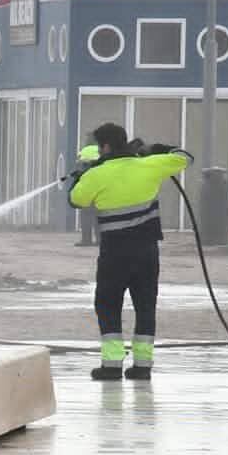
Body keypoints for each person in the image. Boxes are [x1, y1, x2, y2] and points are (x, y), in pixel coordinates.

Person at [68, 123, 192, 381]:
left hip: (115, 254)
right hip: (147, 253)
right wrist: (154, 150)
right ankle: (143, 366)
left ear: (105, 146)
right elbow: (185, 157)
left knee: (107, 305)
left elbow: (76, 200)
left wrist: (82, 176)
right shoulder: (149, 165)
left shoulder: (97, 174)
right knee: (145, 307)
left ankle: (112, 366)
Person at [74, 143, 100, 247]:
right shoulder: (95, 154)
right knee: (96, 217)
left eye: (83, 164)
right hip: (97, 195)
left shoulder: (88, 155)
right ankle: (96, 239)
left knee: (88, 216)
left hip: (91, 195)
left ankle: (87, 239)